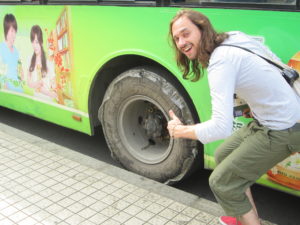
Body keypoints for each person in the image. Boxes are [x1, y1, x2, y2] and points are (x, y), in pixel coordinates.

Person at [168, 9, 300, 225]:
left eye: (186, 34)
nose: (181, 43)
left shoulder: (220, 62)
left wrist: (181, 131)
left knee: (221, 182)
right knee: (222, 155)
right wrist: (262, 99)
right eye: (176, 39)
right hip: (273, 119)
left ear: (202, 28)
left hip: (284, 129)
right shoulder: (233, 37)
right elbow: (275, 62)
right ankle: (244, 217)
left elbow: (221, 128)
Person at [27, 25, 57, 101]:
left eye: (37, 42)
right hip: (35, 99)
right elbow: (29, 83)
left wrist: (46, 91)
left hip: (47, 101)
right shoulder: (30, 59)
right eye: (32, 42)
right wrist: (36, 84)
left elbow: (54, 87)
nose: (34, 46)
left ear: (42, 42)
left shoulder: (48, 61)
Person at [0, 14, 23, 92]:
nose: (14, 35)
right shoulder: (1, 48)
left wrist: (21, 76)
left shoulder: (16, 51)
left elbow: (18, 71)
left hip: (19, 90)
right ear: (6, 30)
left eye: (15, 31)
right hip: (7, 92)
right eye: (12, 31)